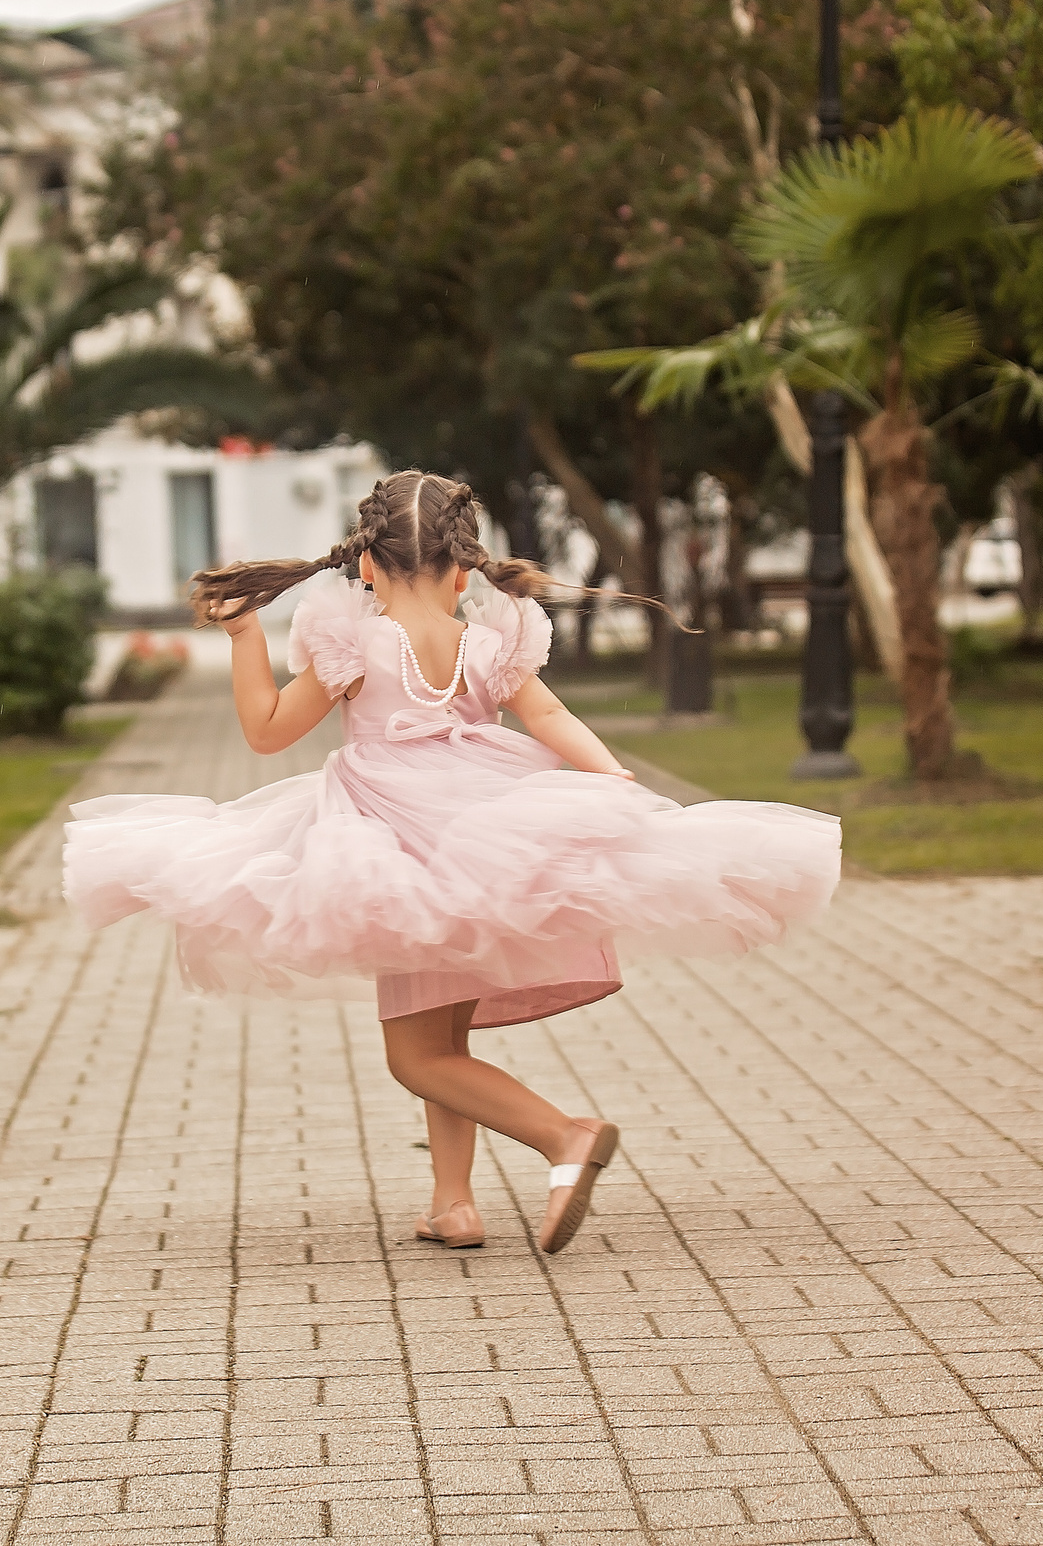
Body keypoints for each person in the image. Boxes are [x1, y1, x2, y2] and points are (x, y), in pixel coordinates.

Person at [63, 471, 840, 1255]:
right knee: (444, 1040)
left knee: (418, 1056)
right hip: (481, 832)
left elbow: (266, 731)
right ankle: (454, 1204)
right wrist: (607, 776)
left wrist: (244, 640)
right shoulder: (487, 639)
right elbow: (545, 711)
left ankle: (564, 1134)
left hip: (390, 845)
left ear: (366, 566)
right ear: (462, 570)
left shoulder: (351, 641)